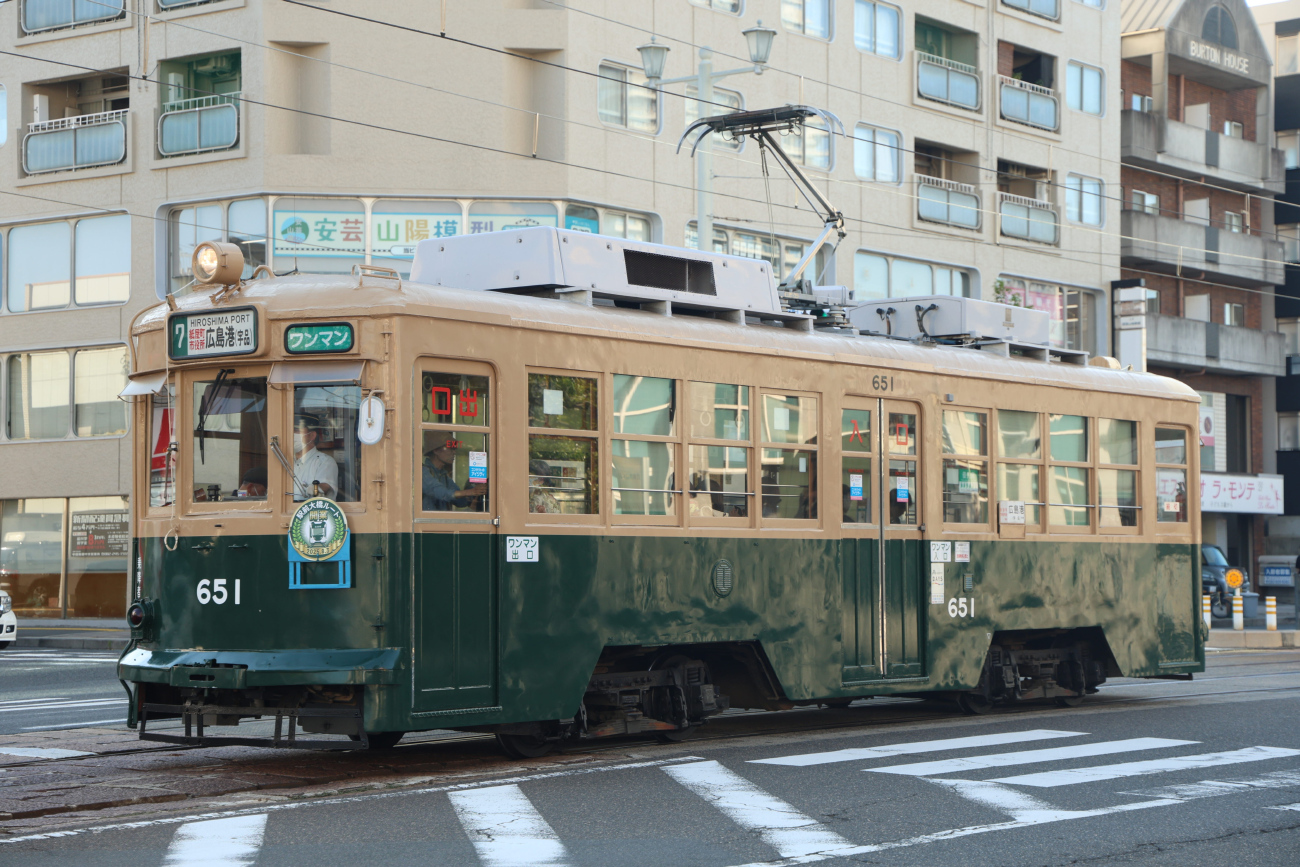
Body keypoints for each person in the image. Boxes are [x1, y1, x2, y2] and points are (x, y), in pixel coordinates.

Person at [423, 440, 483, 511]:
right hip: (426, 521)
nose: (454, 452)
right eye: (451, 448)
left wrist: (476, 492)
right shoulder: (422, 472)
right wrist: (470, 492)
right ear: (436, 451)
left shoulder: (444, 476)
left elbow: (461, 502)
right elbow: (439, 491)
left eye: (454, 449)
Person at [293, 413, 338, 501]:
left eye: (297, 430)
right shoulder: (284, 460)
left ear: (312, 435)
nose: (293, 434)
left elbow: (324, 488)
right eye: (291, 430)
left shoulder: (325, 462)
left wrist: (317, 488)